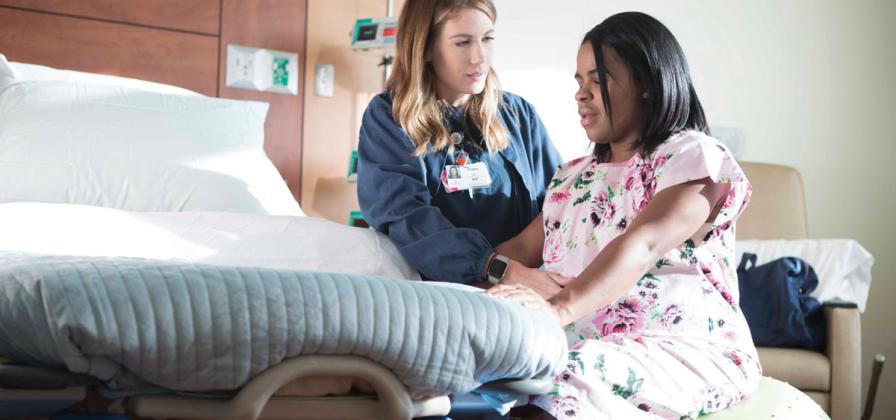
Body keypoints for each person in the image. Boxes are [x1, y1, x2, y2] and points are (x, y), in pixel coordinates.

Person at [487, 12, 761, 419]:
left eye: (598, 81)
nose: (581, 94)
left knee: (561, 382)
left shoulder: (693, 158)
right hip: (578, 341)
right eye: (579, 82)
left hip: (682, 348)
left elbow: (645, 243)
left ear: (647, 85)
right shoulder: (571, 178)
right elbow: (511, 253)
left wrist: (559, 307)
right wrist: (499, 277)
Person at [357, 0, 563, 290]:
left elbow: (560, 204)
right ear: (426, 47)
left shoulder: (517, 115)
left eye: (487, 39)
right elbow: (407, 218)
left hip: (526, 292)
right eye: (462, 43)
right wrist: (492, 267)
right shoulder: (390, 118)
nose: (479, 58)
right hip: (445, 297)